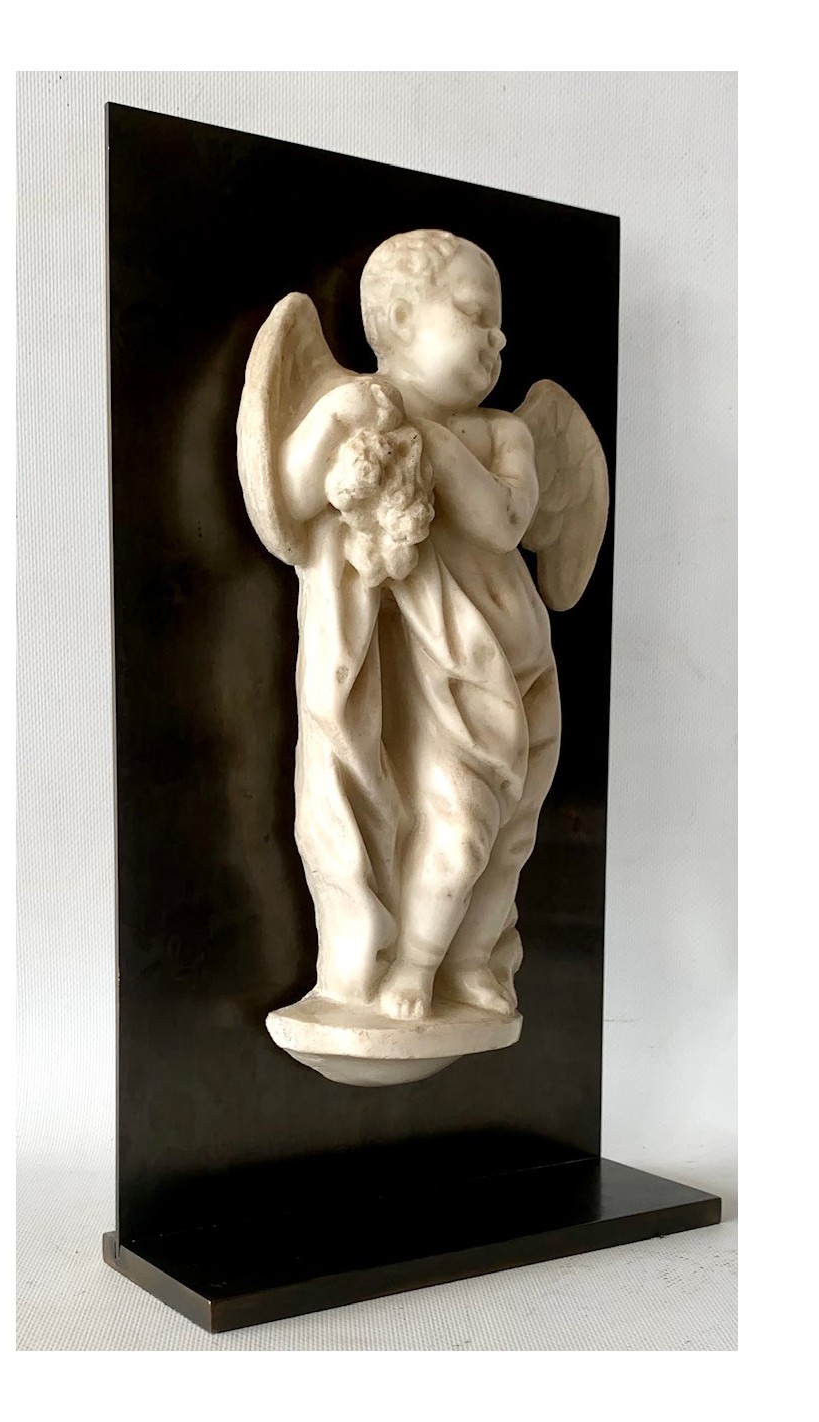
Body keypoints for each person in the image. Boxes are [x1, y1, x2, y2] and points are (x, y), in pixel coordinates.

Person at [274, 230, 562, 1022]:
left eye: (500, 325)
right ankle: (414, 964)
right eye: (475, 315)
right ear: (401, 318)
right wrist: (337, 426)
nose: (497, 340)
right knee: (459, 828)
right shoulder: (356, 414)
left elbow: (505, 522)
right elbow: (290, 497)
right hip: (433, 677)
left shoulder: (502, 434)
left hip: (520, 668)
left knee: (511, 835)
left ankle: (471, 959)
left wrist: (429, 440)